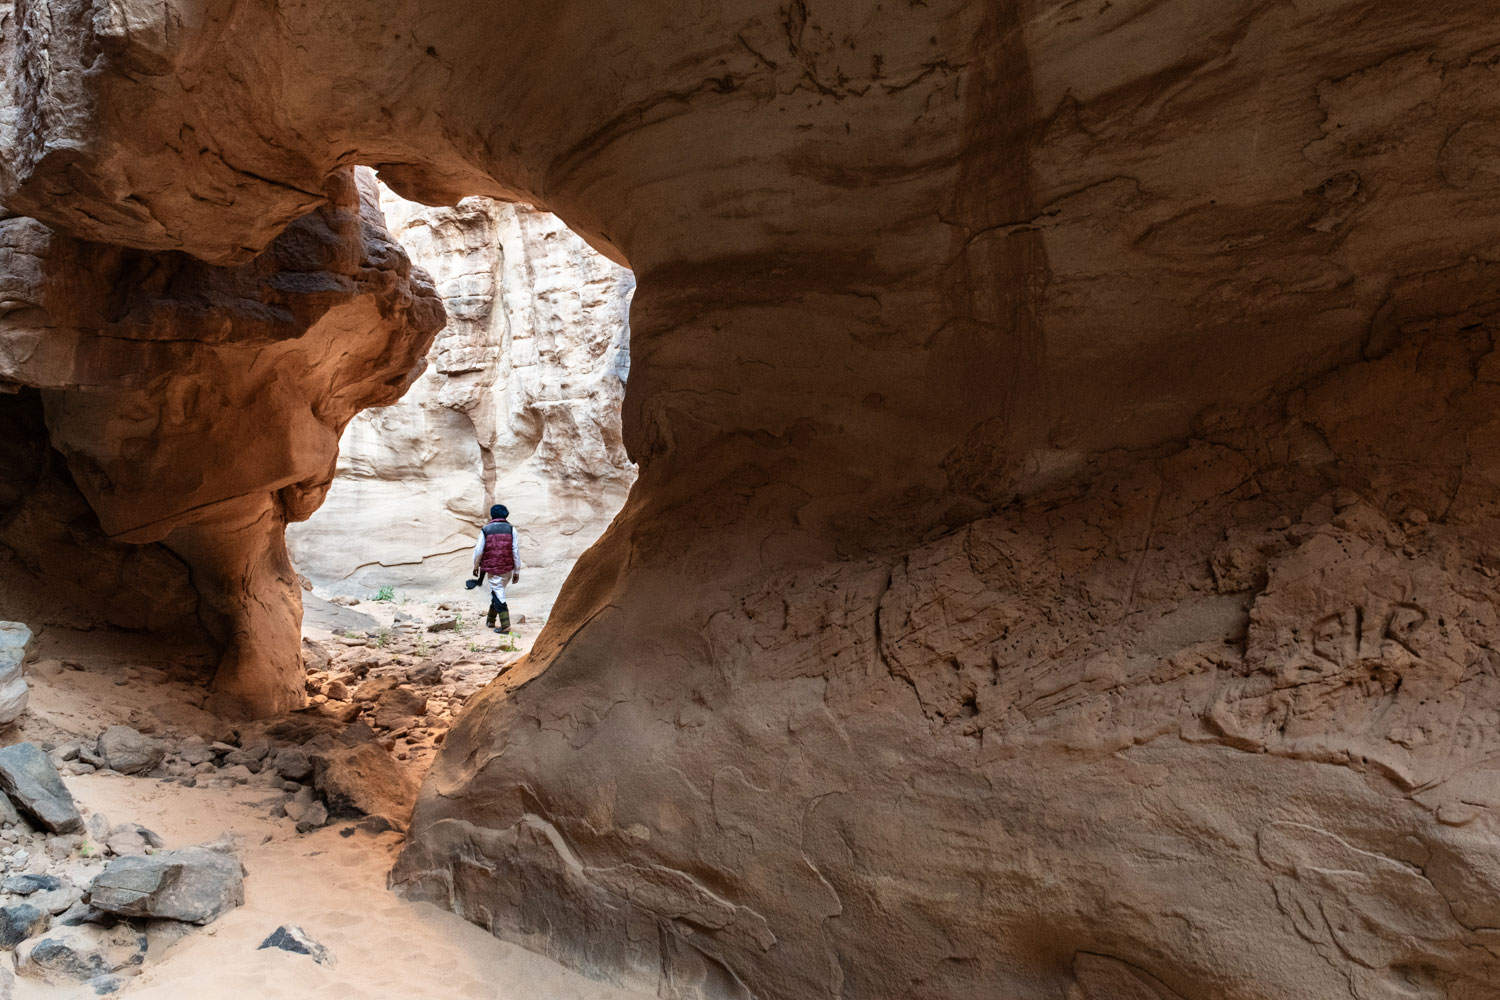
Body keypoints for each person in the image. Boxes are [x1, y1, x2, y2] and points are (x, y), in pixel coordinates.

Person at [471, 504, 520, 633]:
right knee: (498, 591)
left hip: (493, 569)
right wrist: (517, 570)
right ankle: (490, 620)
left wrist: (476, 566)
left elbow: (479, 550)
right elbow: (515, 551)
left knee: (498, 593)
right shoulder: (511, 529)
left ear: (492, 515)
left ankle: (505, 626)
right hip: (508, 568)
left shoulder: (486, 529)